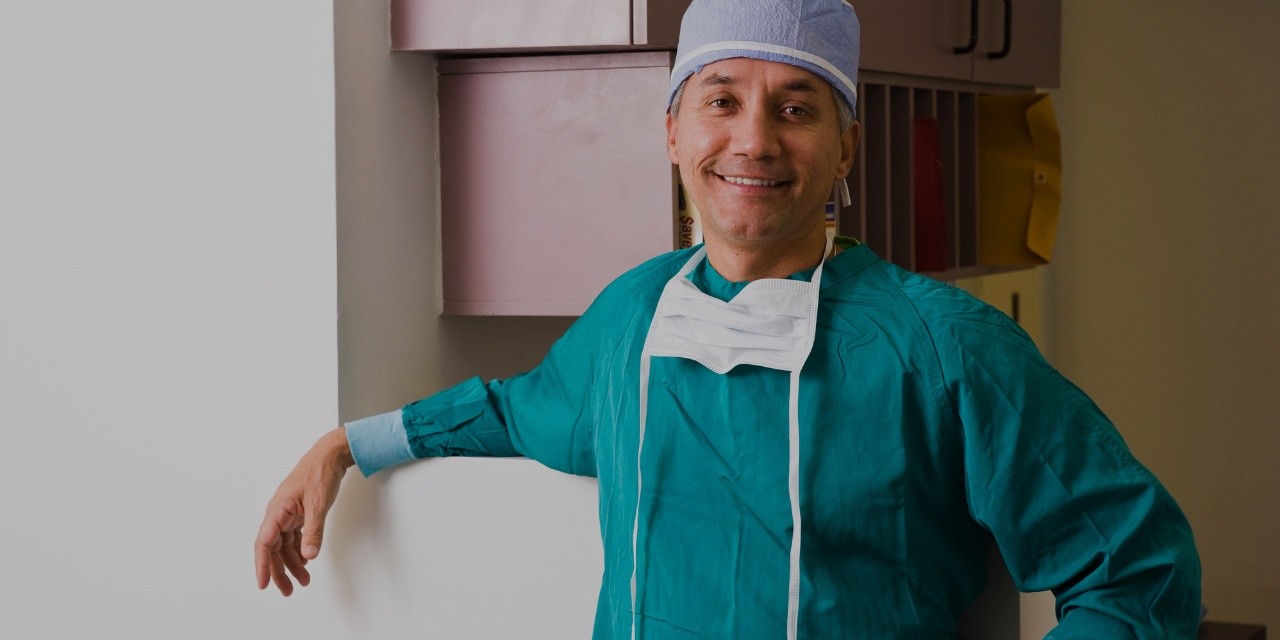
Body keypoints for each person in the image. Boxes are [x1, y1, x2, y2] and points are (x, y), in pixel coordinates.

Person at [255, 0, 1202, 637]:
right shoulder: (630, 318)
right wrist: (344, 446)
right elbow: (515, 408)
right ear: (673, 131)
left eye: (797, 107)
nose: (754, 139)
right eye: (721, 100)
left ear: (846, 151)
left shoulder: (945, 348)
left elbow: (1138, 565)